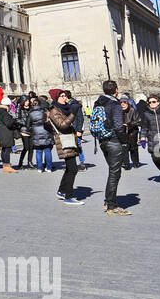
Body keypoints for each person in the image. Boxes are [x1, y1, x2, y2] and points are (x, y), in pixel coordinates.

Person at [89, 80, 130, 215]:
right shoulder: (114, 104)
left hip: (102, 140)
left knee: (113, 171)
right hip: (113, 140)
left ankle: (109, 202)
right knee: (114, 173)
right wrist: (124, 141)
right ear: (116, 90)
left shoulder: (98, 102)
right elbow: (118, 126)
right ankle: (111, 205)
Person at [46, 90, 84, 205]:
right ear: (56, 98)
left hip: (70, 140)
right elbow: (62, 125)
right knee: (73, 169)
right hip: (64, 142)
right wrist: (73, 113)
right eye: (62, 96)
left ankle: (62, 191)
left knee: (69, 168)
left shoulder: (64, 109)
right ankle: (69, 196)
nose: (65, 98)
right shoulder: (54, 111)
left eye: (65, 96)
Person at [0, 98, 20, 173]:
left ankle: (5, 165)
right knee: (7, 150)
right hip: (6, 133)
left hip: (0, 133)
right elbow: (9, 123)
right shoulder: (4, 112)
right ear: (7, 105)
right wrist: (14, 120)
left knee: (4, 150)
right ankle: (7, 166)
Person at [28, 97, 54, 173]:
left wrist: (32, 129)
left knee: (38, 151)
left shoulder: (30, 113)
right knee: (47, 151)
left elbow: (27, 124)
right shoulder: (44, 111)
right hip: (46, 132)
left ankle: (39, 168)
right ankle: (49, 168)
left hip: (36, 133)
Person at [120, 96, 141, 169]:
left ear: (128, 103)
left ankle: (136, 162)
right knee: (124, 148)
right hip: (122, 132)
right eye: (121, 102)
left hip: (132, 132)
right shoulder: (118, 111)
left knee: (133, 148)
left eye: (124, 102)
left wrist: (129, 124)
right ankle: (126, 164)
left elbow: (138, 121)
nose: (123, 104)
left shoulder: (132, 110)